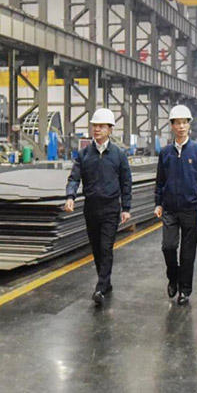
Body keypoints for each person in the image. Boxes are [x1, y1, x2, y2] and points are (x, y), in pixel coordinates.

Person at [65, 108, 132, 306]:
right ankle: (106, 282)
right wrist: (70, 196)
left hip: (111, 208)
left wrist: (126, 208)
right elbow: (74, 177)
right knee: (96, 248)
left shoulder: (119, 155)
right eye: (95, 126)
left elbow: (126, 182)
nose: (97, 129)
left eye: (102, 126)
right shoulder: (84, 154)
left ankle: (100, 288)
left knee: (106, 247)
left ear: (110, 129)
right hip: (91, 208)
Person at [154, 104, 197, 305]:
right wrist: (158, 203)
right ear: (171, 126)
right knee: (168, 247)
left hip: (190, 209)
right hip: (170, 209)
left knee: (188, 253)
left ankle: (185, 290)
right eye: (177, 123)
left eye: (184, 123)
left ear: (189, 125)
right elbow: (160, 181)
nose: (181, 127)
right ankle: (173, 277)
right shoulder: (165, 152)